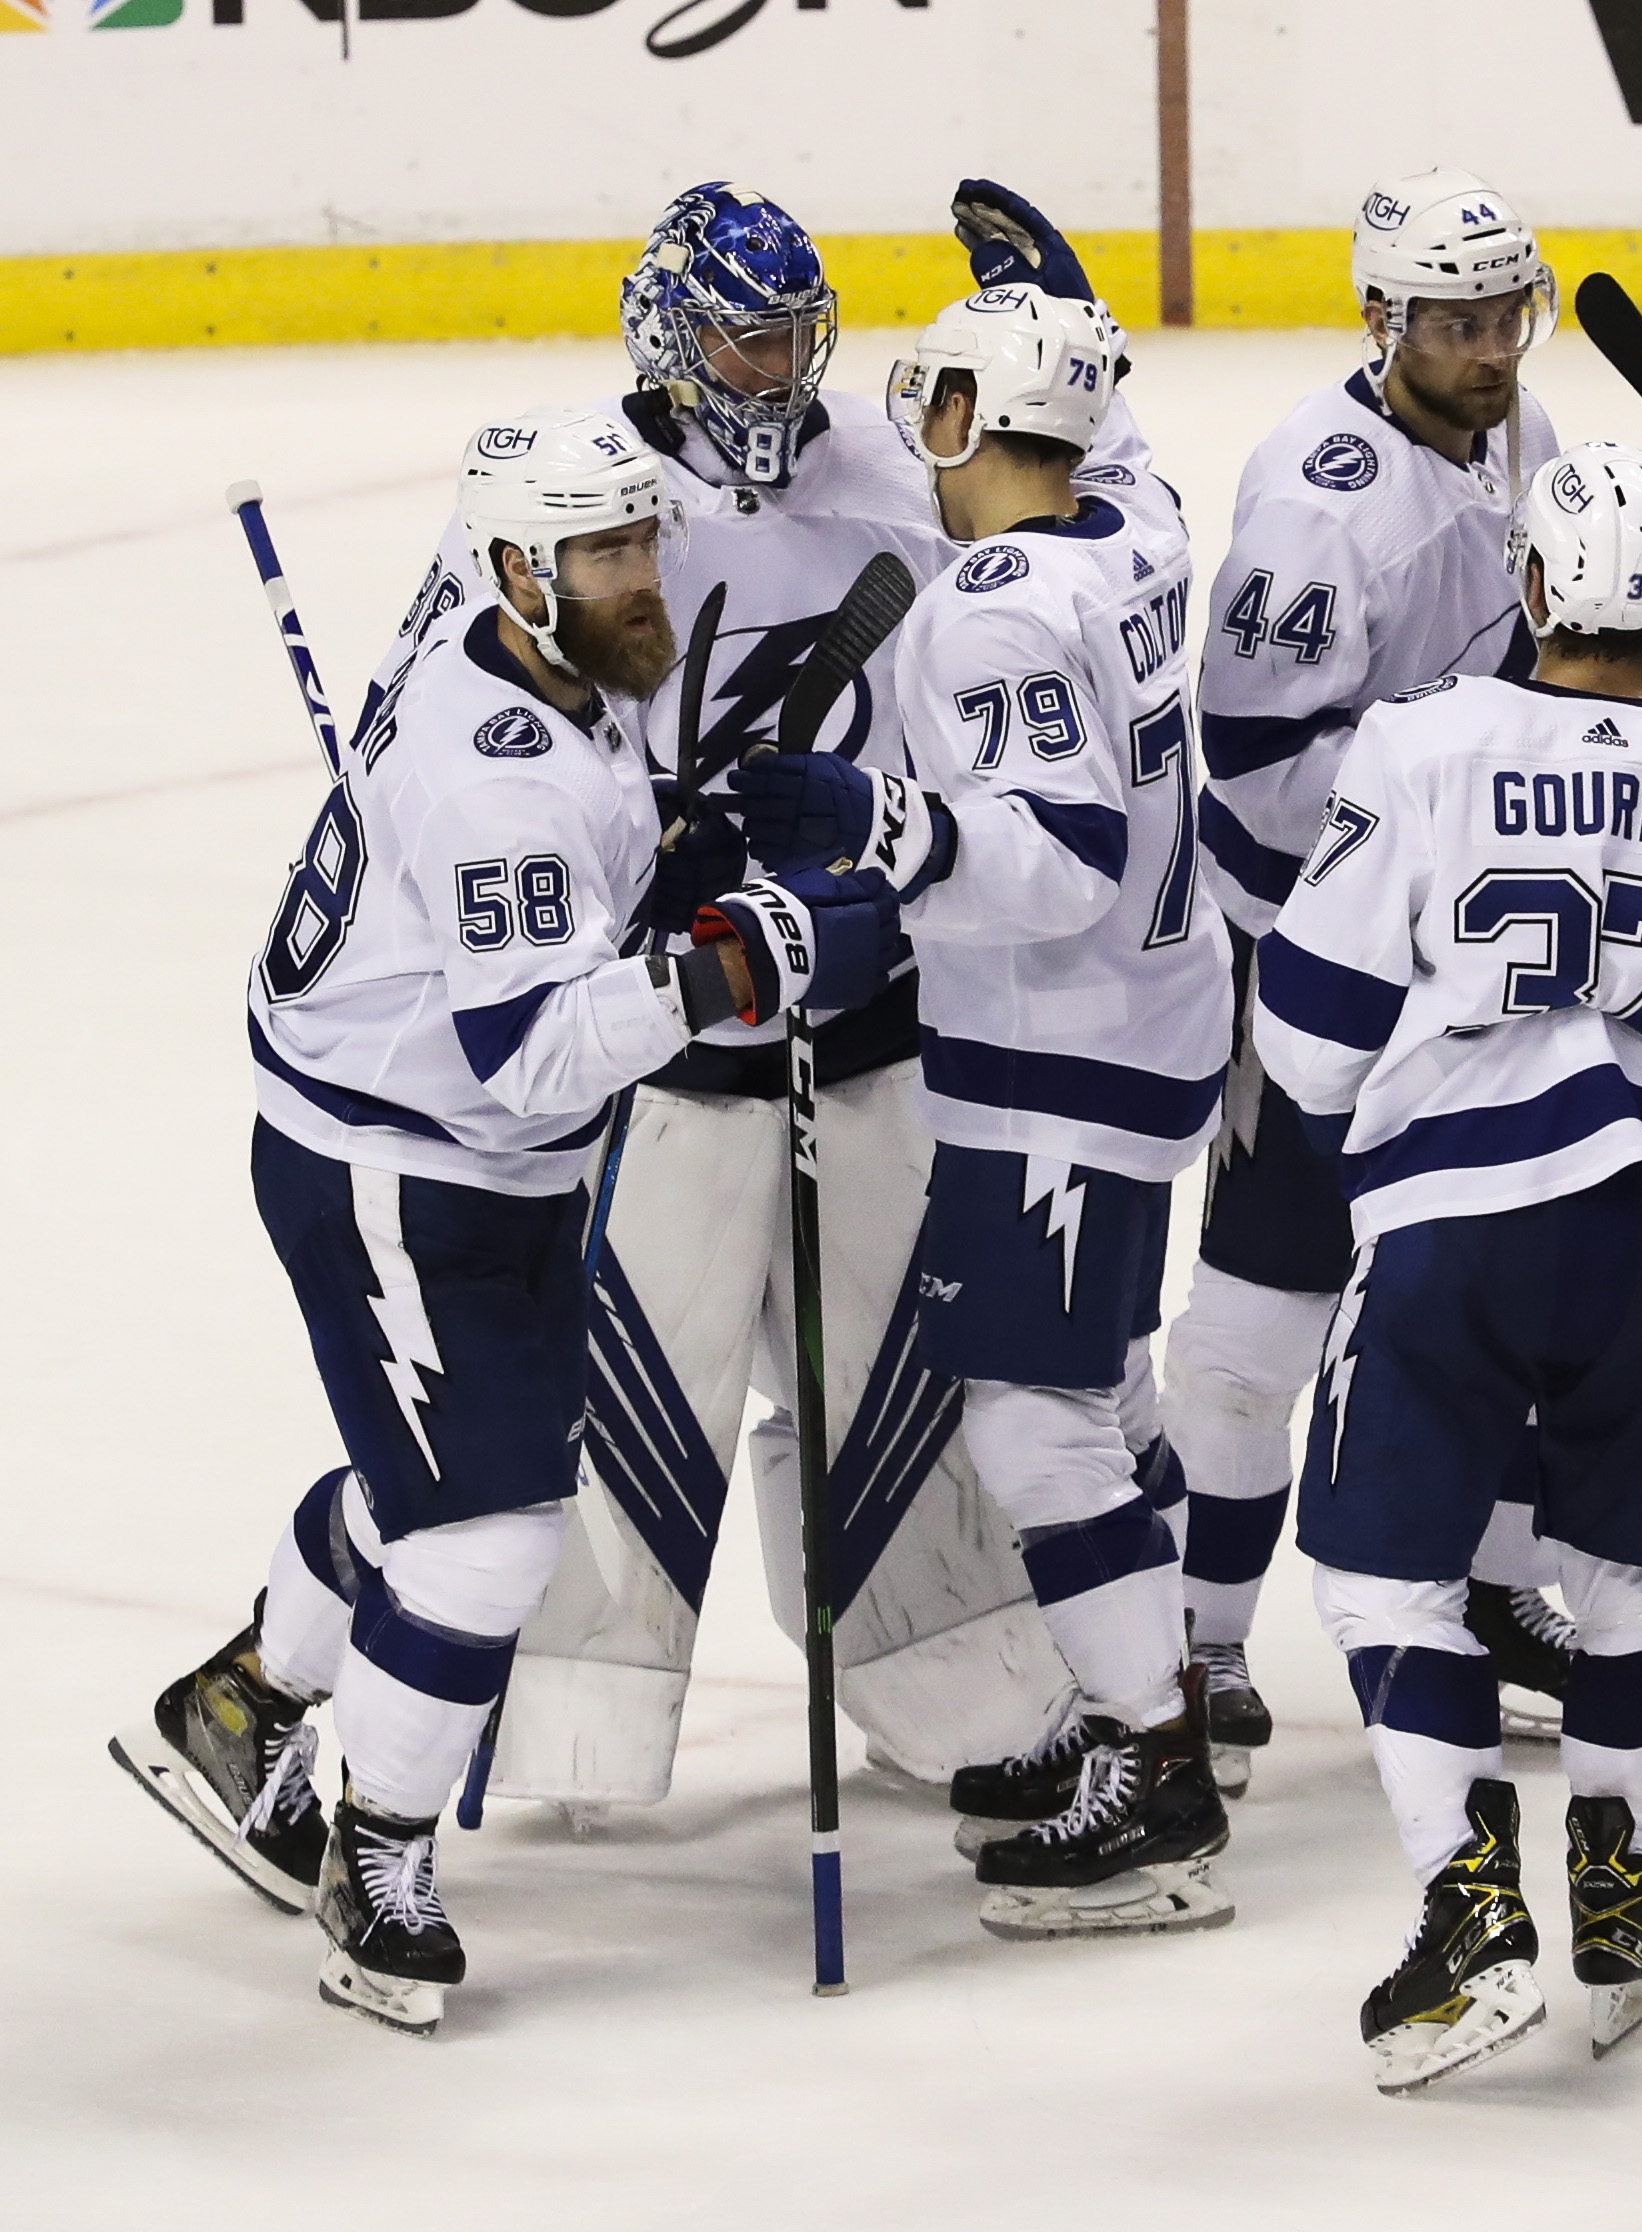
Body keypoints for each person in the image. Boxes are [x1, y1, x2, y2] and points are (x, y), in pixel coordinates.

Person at [351, 181, 1175, 1829]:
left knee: (889, 1377)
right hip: (656, 1027)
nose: (775, 372)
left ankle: (949, 1693)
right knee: (618, 1387)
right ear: (666, 331)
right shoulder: (577, 485)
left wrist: (1087, 363)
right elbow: (444, 711)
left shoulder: (886, 473)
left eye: (800, 337)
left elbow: (1094, 534)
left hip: (871, 990)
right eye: (742, 336)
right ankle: (566, 1729)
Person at [110, 409, 891, 2030]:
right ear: (522, 569)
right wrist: (726, 966)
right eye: (603, 554)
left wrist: (695, 845)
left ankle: (243, 1705)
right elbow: (528, 1060)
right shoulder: (496, 780)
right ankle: (374, 1857)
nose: (639, 577)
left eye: (640, 543)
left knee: (447, 1486)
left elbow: (576, 887)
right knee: (490, 1536)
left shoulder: (518, 638)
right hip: (399, 1165)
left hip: (476, 1154)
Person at [1254, 443, 1642, 2090]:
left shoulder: (1425, 738)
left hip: (1455, 1222)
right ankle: (1617, 1872)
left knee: (1385, 1581)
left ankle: (1467, 1896)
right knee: (1633, 1586)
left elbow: (1306, 1035)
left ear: (1531, 587)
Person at [736, 286, 1236, 1939]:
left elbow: (1056, 857)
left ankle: (1154, 1769)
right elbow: (1137, 468)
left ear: (970, 418)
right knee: (1091, 1389)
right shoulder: (1137, 537)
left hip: (1059, 1061)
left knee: (1032, 1416)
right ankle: (1141, 1703)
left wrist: (885, 826)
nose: (916, 426)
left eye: (939, 395)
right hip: (1148, 1035)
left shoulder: (992, 613)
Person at [1174, 166, 1569, 1774]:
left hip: (1475, 984)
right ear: (1383, 322)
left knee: (1491, 1304)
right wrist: (1382, 919)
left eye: (1504, 317)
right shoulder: (1321, 498)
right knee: (1258, 1328)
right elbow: (1257, 770)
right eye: (1455, 323)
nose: (1489, 349)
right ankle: (1196, 1639)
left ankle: (1488, 1589)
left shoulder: (1523, 444)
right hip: (1325, 980)